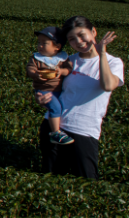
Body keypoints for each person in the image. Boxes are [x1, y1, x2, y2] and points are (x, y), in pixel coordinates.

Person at [36, 16, 122, 179]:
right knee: (50, 177)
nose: (79, 41)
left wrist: (101, 53)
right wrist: (42, 99)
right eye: (72, 39)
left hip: (84, 130)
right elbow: (52, 88)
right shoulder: (68, 61)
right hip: (54, 126)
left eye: (82, 35)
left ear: (94, 31)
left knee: (87, 179)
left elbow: (108, 85)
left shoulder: (113, 62)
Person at [27, 26, 74, 145]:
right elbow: (30, 70)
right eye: (39, 43)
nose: (40, 46)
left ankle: (59, 129)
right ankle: (55, 133)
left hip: (58, 90)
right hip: (43, 90)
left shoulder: (62, 58)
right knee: (56, 108)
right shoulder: (36, 58)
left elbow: (68, 69)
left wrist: (61, 72)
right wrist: (36, 75)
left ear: (57, 47)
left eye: (44, 43)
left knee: (59, 107)